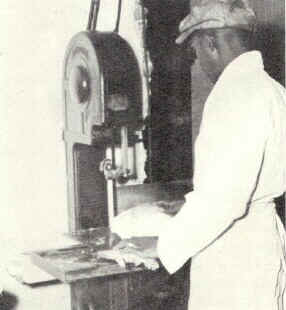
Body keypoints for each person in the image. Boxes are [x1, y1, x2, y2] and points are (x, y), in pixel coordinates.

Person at [157, 0, 286, 309]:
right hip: (263, 244)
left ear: (210, 43)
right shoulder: (273, 91)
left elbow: (223, 200)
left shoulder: (233, 95)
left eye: (196, 52)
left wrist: (165, 247)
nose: (198, 62)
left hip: (234, 258)